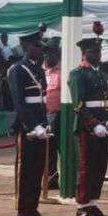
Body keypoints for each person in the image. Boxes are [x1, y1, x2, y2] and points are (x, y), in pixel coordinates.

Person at [7, 29, 53, 216]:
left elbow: (41, 101)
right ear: (26, 46)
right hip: (27, 128)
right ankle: (22, 211)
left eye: (40, 46)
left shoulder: (39, 69)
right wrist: (33, 125)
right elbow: (20, 103)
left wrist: (45, 123)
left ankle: (32, 209)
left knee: (37, 169)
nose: (39, 50)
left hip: (41, 125)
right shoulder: (17, 69)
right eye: (36, 45)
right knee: (25, 170)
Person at [69, 37, 108, 216]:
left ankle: (93, 203)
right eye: (94, 52)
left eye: (99, 51)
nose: (98, 54)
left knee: (100, 165)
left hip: (103, 124)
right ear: (84, 53)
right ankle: (82, 206)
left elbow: (106, 101)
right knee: (87, 166)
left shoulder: (100, 74)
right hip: (88, 127)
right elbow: (78, 104)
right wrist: (94, 124)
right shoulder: (78, 73)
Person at [44, 45, 62, 190]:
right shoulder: (40, 72)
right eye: (47, 55)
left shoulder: (61, 72)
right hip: (43, 115)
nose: (49, 58)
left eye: (52, 55)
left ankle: (71, 177)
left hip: (58, 114)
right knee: (48, 149)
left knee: (60, 147)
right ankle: (51, 178)